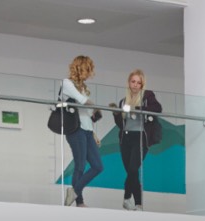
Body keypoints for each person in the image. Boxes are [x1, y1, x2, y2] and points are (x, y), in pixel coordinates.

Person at [108, 69, 163, 211]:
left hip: (140, 138)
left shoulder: (147, 95)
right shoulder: (122, 101)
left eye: (139, 82)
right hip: (125, 138)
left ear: (142, 84)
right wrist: (116, 114)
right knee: (131, 172)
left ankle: (129, 199)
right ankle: (135, 203)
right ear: (129, 82)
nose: (135, 85)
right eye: (133, 81)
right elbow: (121, 125)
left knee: (133, 168)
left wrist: (136, 108)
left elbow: (157, 108)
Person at [59, 55, 103, 207]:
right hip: (75, 130)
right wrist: (96, 105)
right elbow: (82, 100)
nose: (89, 73)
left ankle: (74, 191)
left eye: (89, 70)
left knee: (98, 166)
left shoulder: (84, 87)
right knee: (80, 165)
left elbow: (87, 114)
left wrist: (94, 133)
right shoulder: (67, 83)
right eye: (86, 69)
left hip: (87, 130)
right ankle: (79, 201)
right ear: (78, 68)